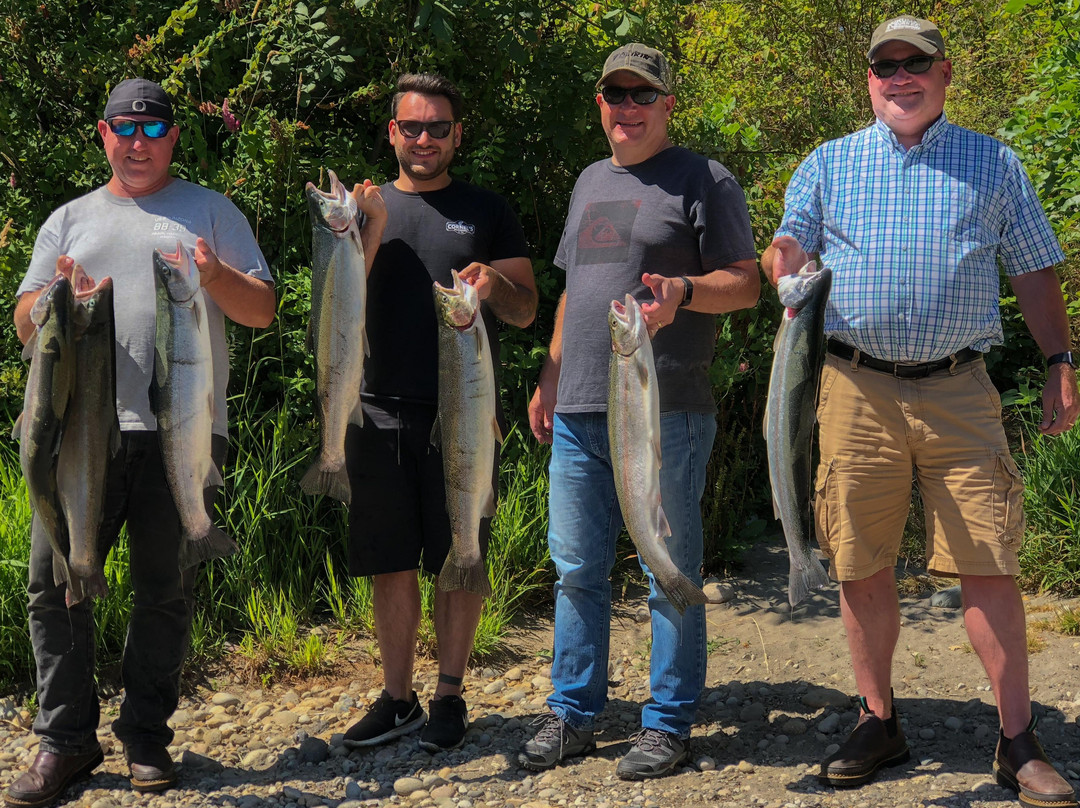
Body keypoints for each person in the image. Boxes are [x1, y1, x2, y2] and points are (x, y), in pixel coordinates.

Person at [761, 16, 1078, 808]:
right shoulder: (828, 161)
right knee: (860, 564)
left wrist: (1060, 361)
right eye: (884, 66)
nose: (899, 77)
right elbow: (788, 246)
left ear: (944, 73)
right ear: (868, 78)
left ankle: (1017, 739)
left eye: (915, 64)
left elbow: (1036, 269)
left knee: (990, 567)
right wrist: (784, 263)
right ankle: (878, 720)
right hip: (850, 388)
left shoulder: (994, 161)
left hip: (960, 390)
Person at [6, 78, 276, 808]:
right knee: (54, 586)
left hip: (182, 437)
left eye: (154, 132)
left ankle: (147, 737)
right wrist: (56, 297)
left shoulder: (211, 211)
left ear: (174, 140)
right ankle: (65, 741)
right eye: (125, 130)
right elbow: (25, 322)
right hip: (80, 439)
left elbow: (264, 311)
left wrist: (215, 274)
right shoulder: (68, 219)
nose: (138, 144)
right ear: (102, 134)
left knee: (166, 590)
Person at [521, 44, 760, 779]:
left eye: (641, 94)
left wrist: (686, 293)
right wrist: (549, 376)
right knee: (575, 569)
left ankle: (667, 722)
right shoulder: (591, 180)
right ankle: (574, 713)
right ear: (600, 103)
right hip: (580, 410)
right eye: (614, 93)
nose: (627, 106)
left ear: (666, 105)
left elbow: (747, 285)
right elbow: (573, 291)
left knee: (669, 567)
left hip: (667, 410)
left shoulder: (704, 179)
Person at [339, 72, 536, 753]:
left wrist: (495, 282)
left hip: (467, 414)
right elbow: (337, 307)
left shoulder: (487, 209)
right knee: (390, 562)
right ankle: (398, 699)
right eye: (412, 128)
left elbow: (526, 308)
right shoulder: (363, 209)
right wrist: (371, 230)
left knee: (463, 545)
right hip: (377, 408)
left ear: (458, 135)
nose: (425, 140)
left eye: (439, 128)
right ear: (393, 132)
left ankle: (449, 693)